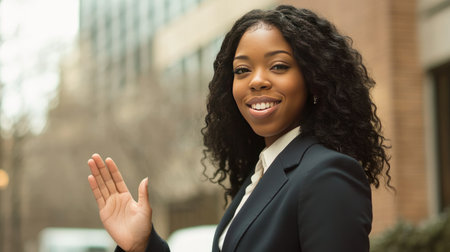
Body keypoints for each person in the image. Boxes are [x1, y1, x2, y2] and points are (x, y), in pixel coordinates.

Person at [87, 5, 392, 252]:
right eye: (242, 70)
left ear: (315, 81)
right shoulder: (262, 174)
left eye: (279, 66)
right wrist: (143, 245)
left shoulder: (326, 175)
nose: (256, 80)